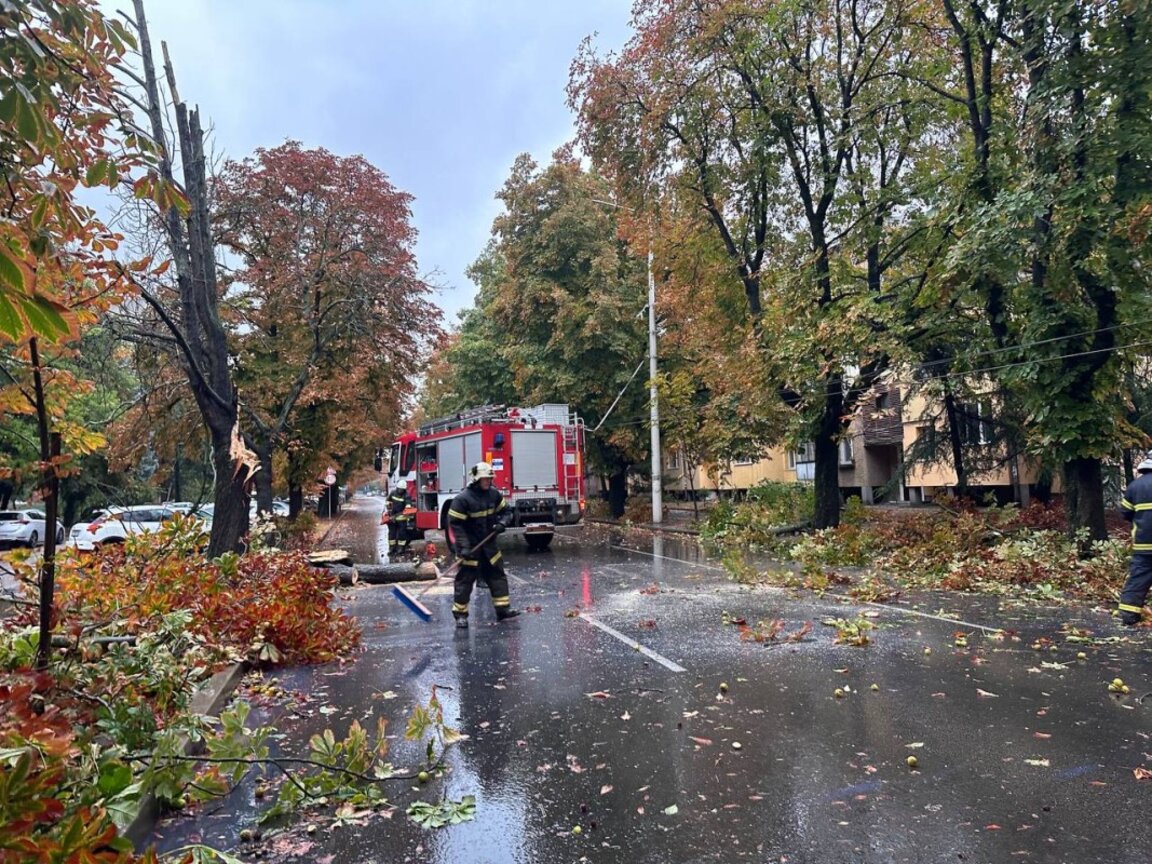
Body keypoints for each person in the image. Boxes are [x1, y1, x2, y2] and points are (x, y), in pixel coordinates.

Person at [448, 462, 518, 628]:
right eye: (485, 479)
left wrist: (502, 523)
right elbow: (455, 524)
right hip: (470, 549)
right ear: (477, 479)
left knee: (497, 577)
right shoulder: (462, 499)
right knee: (465, 582)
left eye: (490, 478)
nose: (488, 481)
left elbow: (507, 511)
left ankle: (503, 610)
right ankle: (460, 614)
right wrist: (464, 547)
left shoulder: (493, 495)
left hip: (489, 547)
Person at [1118, 453, 1152, 626]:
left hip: (1143, 545)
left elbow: (1125, 512)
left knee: (1138, 579)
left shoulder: (1134, 486)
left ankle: (1129, 616)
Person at [383, 484, 415, 560]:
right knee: (392, 534)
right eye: (399, 489)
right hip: (392, 518)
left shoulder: (406, 496)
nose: (400, 490)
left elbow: (408, 505)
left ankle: (401, 549)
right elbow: (387, 501)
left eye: (402, 489)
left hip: (402, 519)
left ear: (404, 489)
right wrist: (388, 507)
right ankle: (392, 549)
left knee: (402, 534)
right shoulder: (393, 493)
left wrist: (407, 508)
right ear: (397, 488)